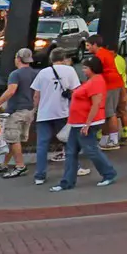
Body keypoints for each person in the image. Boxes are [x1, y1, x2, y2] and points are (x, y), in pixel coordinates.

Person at [54, 57, 119, 191]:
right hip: (77, 122)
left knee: (90, 150)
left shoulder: (96, 82)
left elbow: (96, 104)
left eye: (85, 68)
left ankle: (108, 173)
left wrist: (87, 124)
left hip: (86, 122)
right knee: (71, 152)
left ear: (92, 68)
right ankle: (67, 182)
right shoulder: (92, 81)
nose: (83, 70)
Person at [31, 48, 82, 185]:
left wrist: (35, 110)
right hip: (63, 112)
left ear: (51, 59)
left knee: (42, 145)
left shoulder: (42, 73)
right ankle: (75, 168)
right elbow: (77, 91)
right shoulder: (70, 71)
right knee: (68, 141)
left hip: (44, 113)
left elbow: (36, 95)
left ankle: (40, 176)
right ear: (64, 58)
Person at [0, 49, 38, 178]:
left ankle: (20, 166)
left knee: (13, 139)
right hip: (29, 111)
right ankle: (4, 164)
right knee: (13, 140)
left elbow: (11, 91)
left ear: (18, 58)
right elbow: (37, 94)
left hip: (17, 111)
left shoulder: (15, 74)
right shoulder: (35, 73)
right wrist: (34, 109)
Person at [91, 39, 127, 150]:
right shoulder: (108, 56)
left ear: (95, 44)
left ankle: (113, 140)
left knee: (111, 113)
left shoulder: (102, 55)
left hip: (110, 86)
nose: (87, 48)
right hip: (113, 85)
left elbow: (97, 71)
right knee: (107, 113)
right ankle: (106, 139)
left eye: (88, 45)